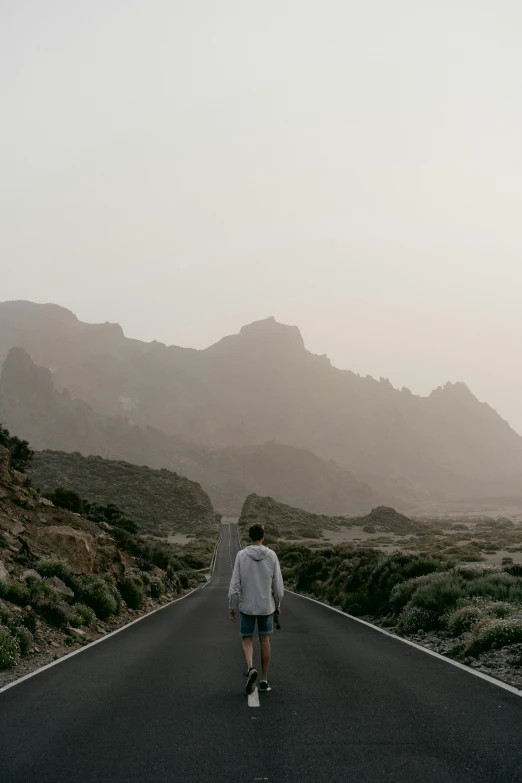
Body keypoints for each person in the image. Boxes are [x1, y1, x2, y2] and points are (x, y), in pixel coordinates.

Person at [228, 522, 284, 695]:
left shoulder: (241, 555)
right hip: (266, 606)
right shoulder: (272, 555)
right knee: (264, 640)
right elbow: (278, 585)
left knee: (247, 639)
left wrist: (232, 605)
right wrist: (278, 604)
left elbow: (235, 583)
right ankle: (264, 680)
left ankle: (251, 668)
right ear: (263, 536)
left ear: (250, 537)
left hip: (247, 606)